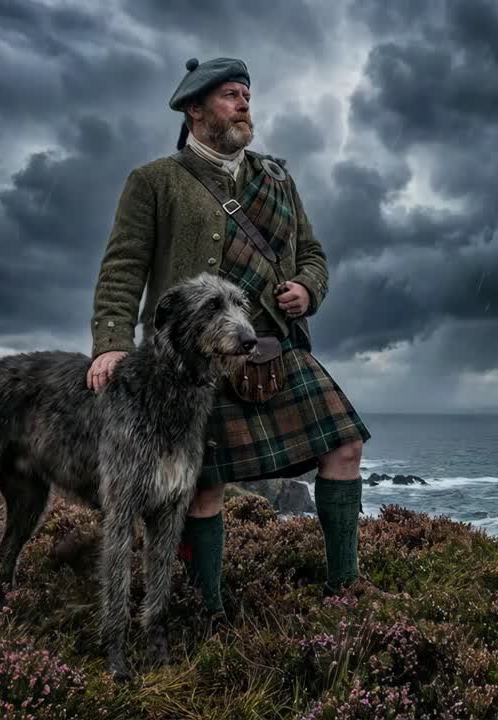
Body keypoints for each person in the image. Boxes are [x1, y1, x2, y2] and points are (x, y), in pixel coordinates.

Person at [85, 56, 375, 613]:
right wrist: (112, 343)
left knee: (346, 445)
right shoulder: (155, 182)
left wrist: (308, 289)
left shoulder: (277, 179)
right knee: (203, 481)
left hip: (274, 348)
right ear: (194, 110)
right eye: (229, 95)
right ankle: (207, 606)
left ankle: (346, 587)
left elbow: (312, 253)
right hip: (194, 362)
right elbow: (123, 268)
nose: (244, 103)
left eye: (246, 94)